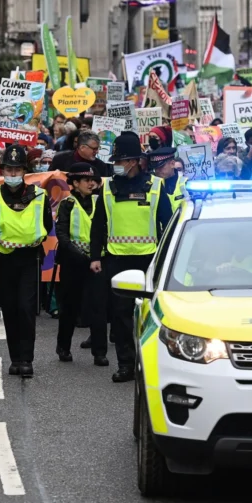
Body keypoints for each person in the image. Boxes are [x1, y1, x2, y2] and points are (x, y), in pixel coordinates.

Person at [89, 132, 172, 383]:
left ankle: (150, 364)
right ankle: (126, 364)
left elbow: (167, 225)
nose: (117, 165)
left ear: (134, 161)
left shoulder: (156, 187)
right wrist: (95, 257)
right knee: (121, 316)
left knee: (151, 316)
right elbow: (98, 225)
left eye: (121, 161)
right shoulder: (108, 189)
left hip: (149, 261)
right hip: (118, 260)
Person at [0, 146, 53, 377]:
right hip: (4, 258)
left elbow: (47, 223)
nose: (13, 174)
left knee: (26, 308)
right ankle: (15, 359)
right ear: (3, 170)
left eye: (17, 169)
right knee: (10, 309)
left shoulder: (39, 195)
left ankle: (27, 359)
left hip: (29, 258)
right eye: (9, 169)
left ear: (25, 170)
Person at [54, 163, 106, 365]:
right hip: (73, 263)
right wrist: (79, 255)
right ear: (75, 183)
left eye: (93, 180)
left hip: (97, 261)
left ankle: (99, 352)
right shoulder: (67, 204)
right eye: (87, 180)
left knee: (98, 307)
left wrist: (96, 255)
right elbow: (62, 234)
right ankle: (63, 347)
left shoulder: (100, 202)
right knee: (70, 307)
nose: (91, 183)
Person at [149, 146, 187, 213]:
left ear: (172, 164)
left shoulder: (186, 183)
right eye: (156, 168)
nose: (157, 171)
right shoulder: (152, 185)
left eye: (161, 167)